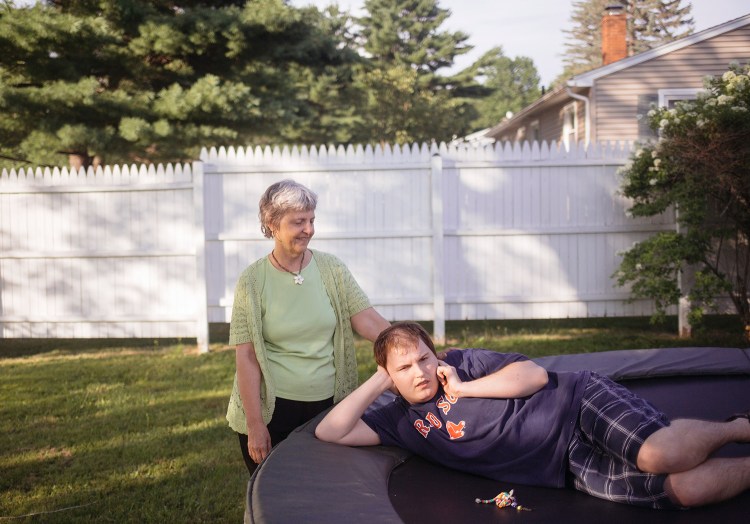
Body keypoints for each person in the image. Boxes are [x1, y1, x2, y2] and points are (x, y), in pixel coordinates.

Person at [315, 321, 750, 509]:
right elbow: (330, 430)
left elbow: (535, 374)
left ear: (436, 354)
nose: (420, 372)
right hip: (564, 467)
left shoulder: (465, 363)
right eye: (405, 368)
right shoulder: (398, 421)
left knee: (660, 455)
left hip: (576, 403)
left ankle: (739, 426)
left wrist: (465, 386)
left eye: (424, 358)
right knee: (685, 491)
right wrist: (378, 378)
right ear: (390, 376)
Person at [227, 179, 390, 473]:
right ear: (272, 224)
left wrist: (415, 349)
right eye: (299, 222)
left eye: (312, 220)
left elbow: (369, 320)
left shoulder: (332, 269)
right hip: (273, 411)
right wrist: (255, 424)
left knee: (324, 491)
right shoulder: (252, 281)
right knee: (276, 499)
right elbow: (247, 356)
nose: (309, 229)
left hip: (328, 407)